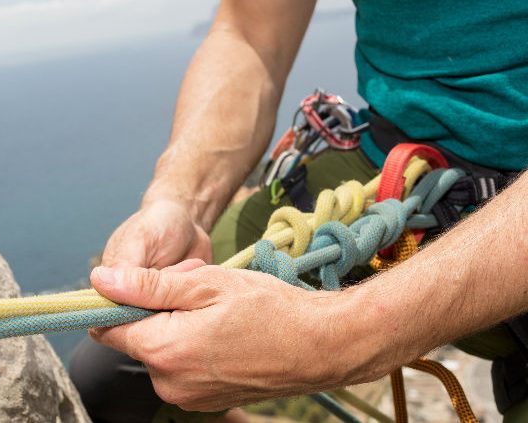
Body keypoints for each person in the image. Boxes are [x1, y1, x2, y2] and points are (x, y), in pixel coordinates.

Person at [69, 0, 528, 421]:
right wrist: (179, 201)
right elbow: (251, 35)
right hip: (391, 174)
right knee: (120, 374)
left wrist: (338, 339)